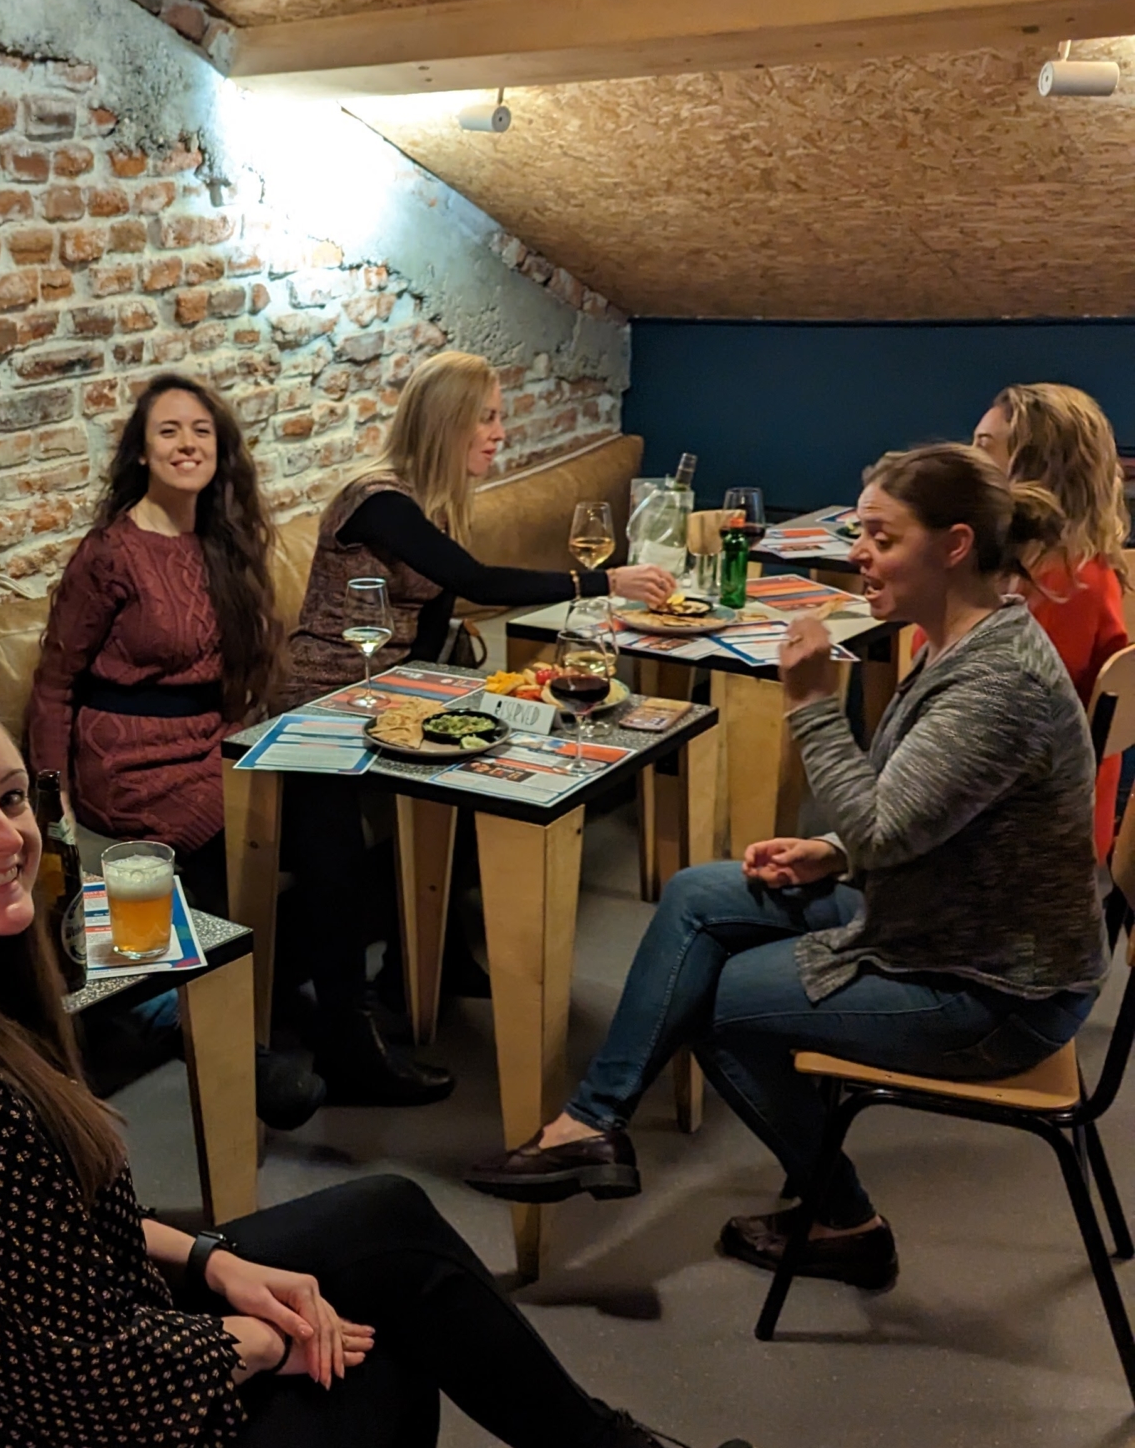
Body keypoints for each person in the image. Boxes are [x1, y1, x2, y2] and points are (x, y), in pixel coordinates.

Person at [0, 683, 771, 1448]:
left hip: (59, 1439)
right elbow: (86, 1380)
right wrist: (262, 1340)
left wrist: (214, 1261)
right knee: (376, 1333)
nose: (3, 835)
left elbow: (44, 1232)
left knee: (385, 1219)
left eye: (11, 797)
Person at [473, 445, 1107, 1292]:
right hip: (937, 920)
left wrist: (810, 703)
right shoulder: (963, 641)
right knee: (698, 894)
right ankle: (592, 1125)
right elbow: (923, 815)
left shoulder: (998, 683)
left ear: (955, 545)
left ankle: (847, 1224)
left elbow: (883, 828)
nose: (859, 553)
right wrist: (831, 851)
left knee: (724, 1007)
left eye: (881, 537)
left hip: (994, 988)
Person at [275, 350, 674, 1104]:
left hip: (391, 695)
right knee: (332, 843)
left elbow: (435, 620)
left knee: (472, 777)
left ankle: (428, 963)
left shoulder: (432, 503)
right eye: (486, 418)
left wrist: (454, 702)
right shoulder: (378, 501)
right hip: (324, 697)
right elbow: (475, 582)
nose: (499, 432)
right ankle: (345, 1040)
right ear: (447, 423)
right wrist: (602, 579)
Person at [27, 375, 278, 914]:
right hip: (130, 768)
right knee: (237, 833)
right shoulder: (110, 553)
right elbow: (54, 683)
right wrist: (54, 802)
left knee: (319, 805)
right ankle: (228, 968)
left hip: (212, 743)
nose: (187, 444)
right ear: (142, 452)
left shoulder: (224, 543)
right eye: (169, 431)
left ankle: (333, 972)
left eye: (201, 431)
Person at [972, 382, 1129, 856]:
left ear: (1035, 469)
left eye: (983, 447)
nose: (968, 460)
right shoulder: (1083, 566)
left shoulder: (1056, 587)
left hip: (1022, 833)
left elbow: (989, 725)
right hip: (1056, 815)